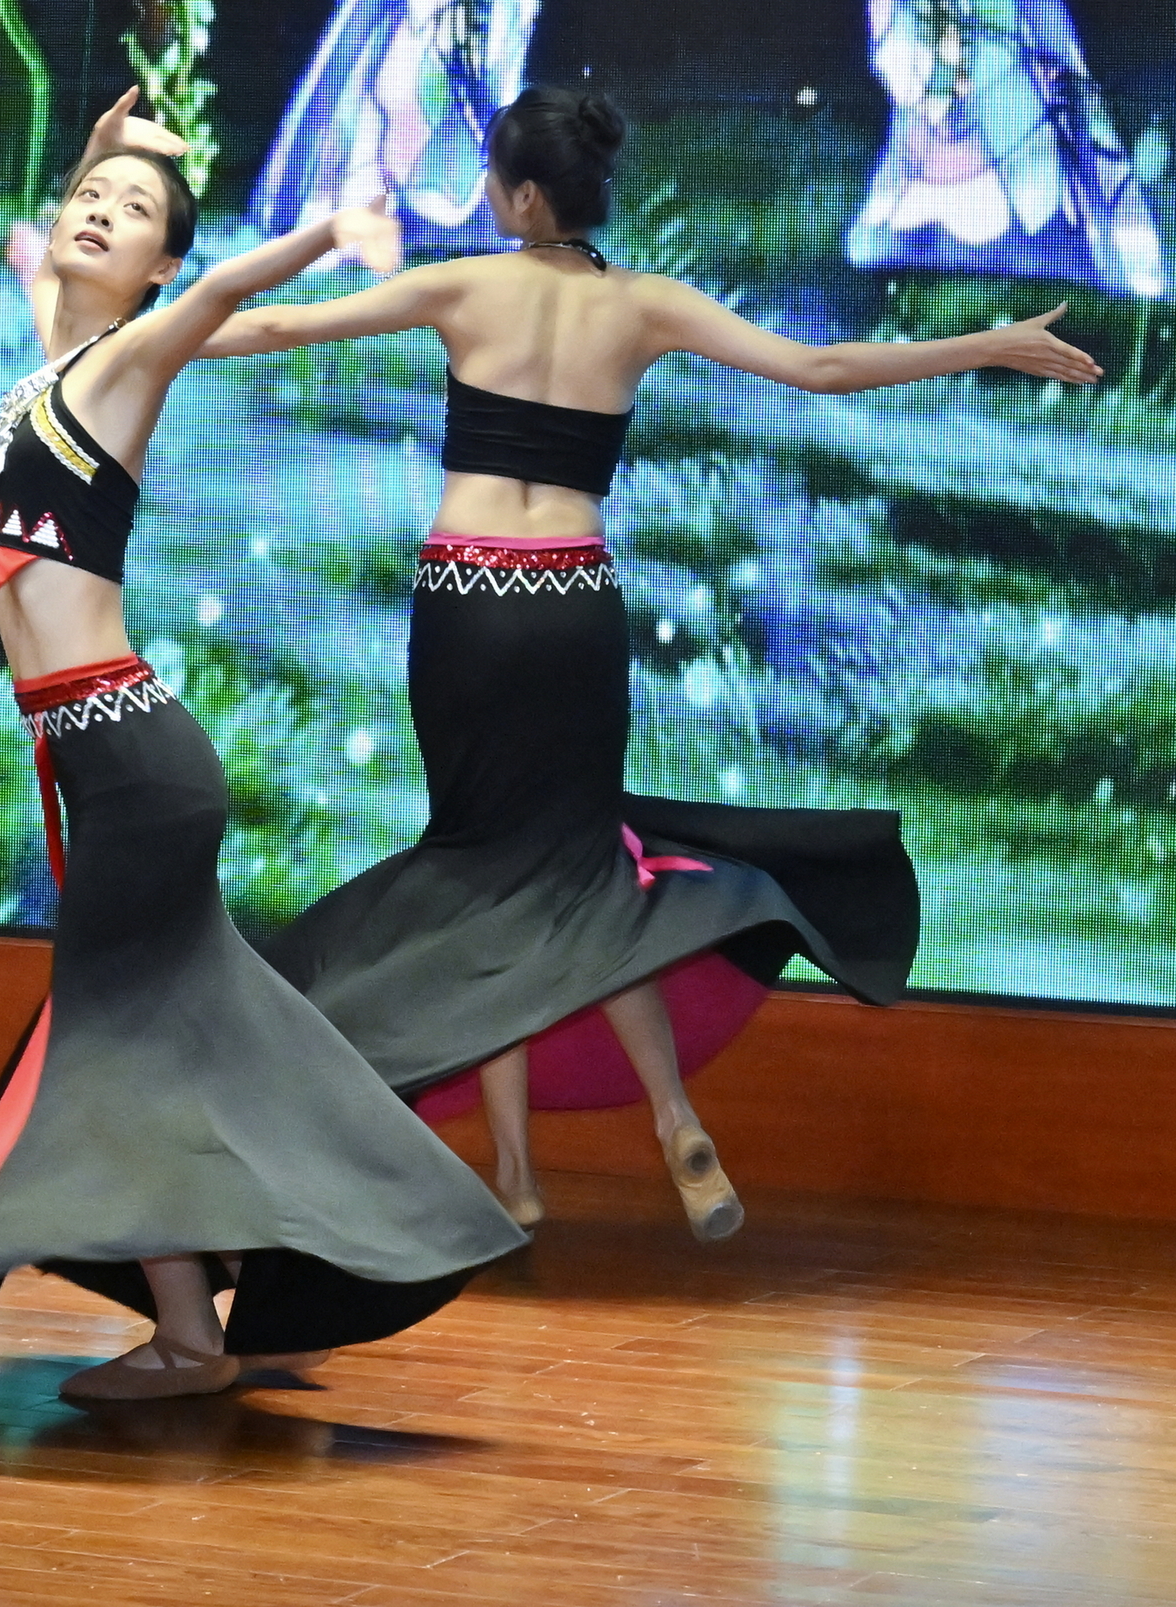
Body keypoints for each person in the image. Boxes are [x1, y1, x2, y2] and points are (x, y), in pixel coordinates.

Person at [198, 87, 1100, 1238]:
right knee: (581, 872)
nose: (484, 195)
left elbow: (271, 328)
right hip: (570, 605)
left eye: (490, 178)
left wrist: (126, 329)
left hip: (466, 605)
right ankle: (665, 1119)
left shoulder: (464, 283)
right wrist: (987, 342)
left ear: (523, 196)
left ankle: (517, 1176)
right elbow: (819, 367)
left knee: (487, 873)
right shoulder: (645, 304)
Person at [0, 93, 526, 1409]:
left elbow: (220, 284)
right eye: (85, 203)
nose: (95, 215)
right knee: (163, 1052)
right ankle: (237, 1292)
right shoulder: (45, 367)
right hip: (112, 762)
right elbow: (68, 250)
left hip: (131, 764)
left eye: (129, 214)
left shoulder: (122, 364)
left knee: (116, 1054)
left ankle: (192, 1335)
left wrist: (327, 232)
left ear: (159, 266)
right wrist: (99, 155)